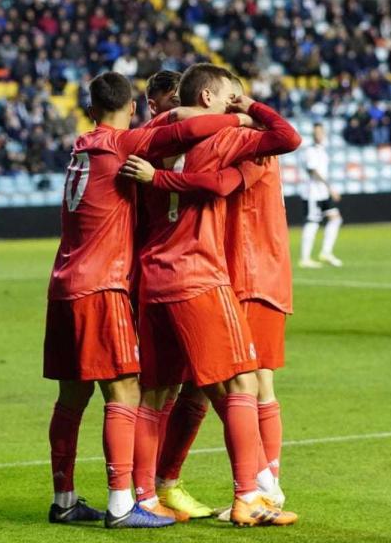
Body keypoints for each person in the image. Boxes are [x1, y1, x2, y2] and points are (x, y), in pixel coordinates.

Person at [43, 71, 248, 529]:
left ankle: (65, 498)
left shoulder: (80, 147)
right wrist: (238, 116)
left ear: (90, 110)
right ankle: (122, 504)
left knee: (71, 398)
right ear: (132, 109)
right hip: (102, 286)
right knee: (126, 390)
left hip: (62, 283)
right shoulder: (122, 145)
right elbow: (193, 130)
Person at [122, 63, 300, 526]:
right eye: (228, 97)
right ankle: (252, 493)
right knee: (243, 382)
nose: (233, 104)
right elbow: (285, 137)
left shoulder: (150, 137)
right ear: (209, 99)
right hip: (199, 273)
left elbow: (157, 128)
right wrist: (246, 113)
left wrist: (158, 177)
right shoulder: (223, 140)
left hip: (151, 277)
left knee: (155, 393)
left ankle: (142, 497)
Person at [299, 122, 343, 268]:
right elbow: (313, 171)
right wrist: (330, 187)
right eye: (316, 132)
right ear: (313, 134)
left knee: (335, 219)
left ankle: (326, 252)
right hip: (313, 193)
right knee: (312, 223)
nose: (318, 135)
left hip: (323, 192)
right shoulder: (310, 151)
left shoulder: (322, 151)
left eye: (320, 132)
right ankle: (305, 258)